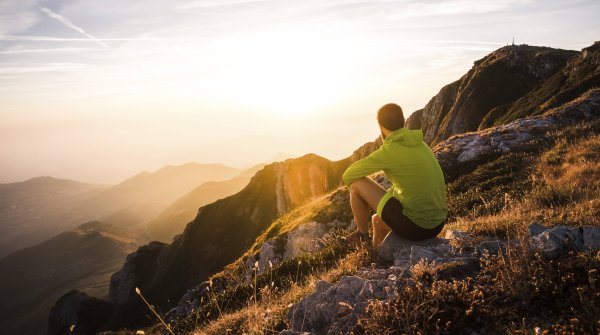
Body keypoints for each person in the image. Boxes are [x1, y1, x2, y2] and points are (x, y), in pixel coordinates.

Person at [342, 103, 447, 247]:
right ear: (402, 121)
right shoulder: (421, 144)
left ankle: (361, 236)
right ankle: (376, 254)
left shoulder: (389, 151)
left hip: (417, 226)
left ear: (382, 127)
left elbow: (348, 175)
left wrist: (365, 199)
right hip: (437, 224)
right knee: (377, 220)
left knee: (356, 185)